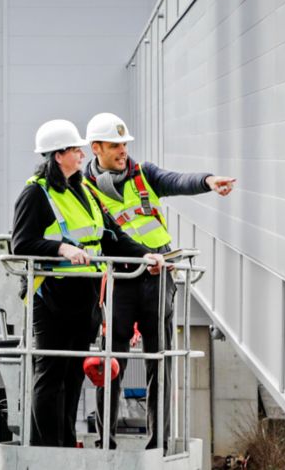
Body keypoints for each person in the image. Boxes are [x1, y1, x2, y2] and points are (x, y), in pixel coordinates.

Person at [82, 112, 235, 450]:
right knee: (111, 362)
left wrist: (208, 181)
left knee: (159, 360)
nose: (123, 151)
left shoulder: (144, 174)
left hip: (157, 277)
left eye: (125, 144)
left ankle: (159, 442)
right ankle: (105, 440)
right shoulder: (84, 188)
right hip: (120, 279)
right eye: (115, 145)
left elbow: (176, 180)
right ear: (96, 148)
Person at [11, 119, 165, 448]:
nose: (81, 154)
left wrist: (146, 256)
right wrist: (60, 248)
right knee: (51, 375)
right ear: (57, 156)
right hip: (52, 297)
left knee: (73, 375)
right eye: (74, 149)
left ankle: (65, 446)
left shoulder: (83, 190)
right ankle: (48, 452)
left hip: (85, 298)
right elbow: (21, 243)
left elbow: (111, 237)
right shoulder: (35, 193)